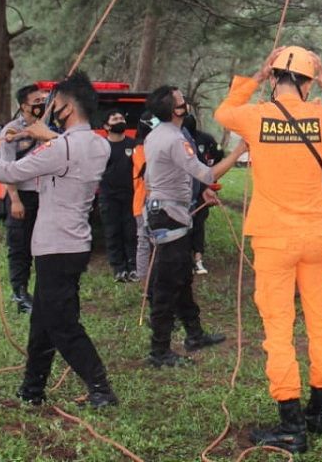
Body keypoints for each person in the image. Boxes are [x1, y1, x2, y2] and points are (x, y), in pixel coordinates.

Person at [214, 45, 322, 454]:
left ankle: (290, 423)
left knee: (279, 330)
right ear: (307, 83)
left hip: (273, 241)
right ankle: (318, 411)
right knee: (321, 323)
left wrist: (255, 73)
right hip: (316, 238)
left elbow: (224, 111)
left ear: (273, 79)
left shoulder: (254, 117)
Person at [0, 72, 118, 407]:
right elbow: (68, 147)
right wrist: (47, 135)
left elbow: (10, 172)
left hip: (57, 247)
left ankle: (100, 387)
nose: (47, 109)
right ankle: (32, 389)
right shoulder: (100, 144)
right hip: (72, 246)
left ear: (65, 108)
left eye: (53, 104)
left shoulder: (60, 147)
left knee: (61, 324)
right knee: (43, 320)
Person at [142, 86, 244, 368]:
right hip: (168, 217)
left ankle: (194, 334)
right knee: (167, 284)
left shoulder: (157, 135)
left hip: (168, 212)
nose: (184, 102)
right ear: (175, 110)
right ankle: (159, 351)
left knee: (182, 277)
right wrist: (238, 151)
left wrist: (198, 193)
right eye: (180, 100)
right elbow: (207, 173)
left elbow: (158, 176)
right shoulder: (175, 139)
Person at [0, 83, 49, 313]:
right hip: (21, 195)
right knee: (20, 246)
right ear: (23, 106)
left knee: (42, 246)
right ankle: (20, 293)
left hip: (45, 195)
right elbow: (7, 167)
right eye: (36, 102)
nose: (40, 105)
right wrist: (15, 199)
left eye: (42, 101)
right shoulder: (11, 131)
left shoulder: (47, 126)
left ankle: (40, 293)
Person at [99, 111, 138, 282]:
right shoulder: (101, 147)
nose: (120, 121)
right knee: (112, 231)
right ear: (106, 126)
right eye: (115, 119)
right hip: (108, 197)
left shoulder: (134, 144)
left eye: (122, 118)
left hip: (131, 196)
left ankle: (133, 266)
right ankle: (118, 268)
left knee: (131, 232)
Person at [183, 111, 222, 276]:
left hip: (201, 190)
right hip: (181, 192)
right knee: (183, 227)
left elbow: (216, 158)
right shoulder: (175, 140)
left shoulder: (205, 139)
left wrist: (208, 185)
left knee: (199, 224)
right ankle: (186, 261)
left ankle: (198, 259)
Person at [132, 112, 157, 285]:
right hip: (143, 201)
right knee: (144, 240)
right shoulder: (139, 149)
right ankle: (143, 278)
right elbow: (148, 170)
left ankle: (157, 276)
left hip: (159, 200)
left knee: (159, 240)